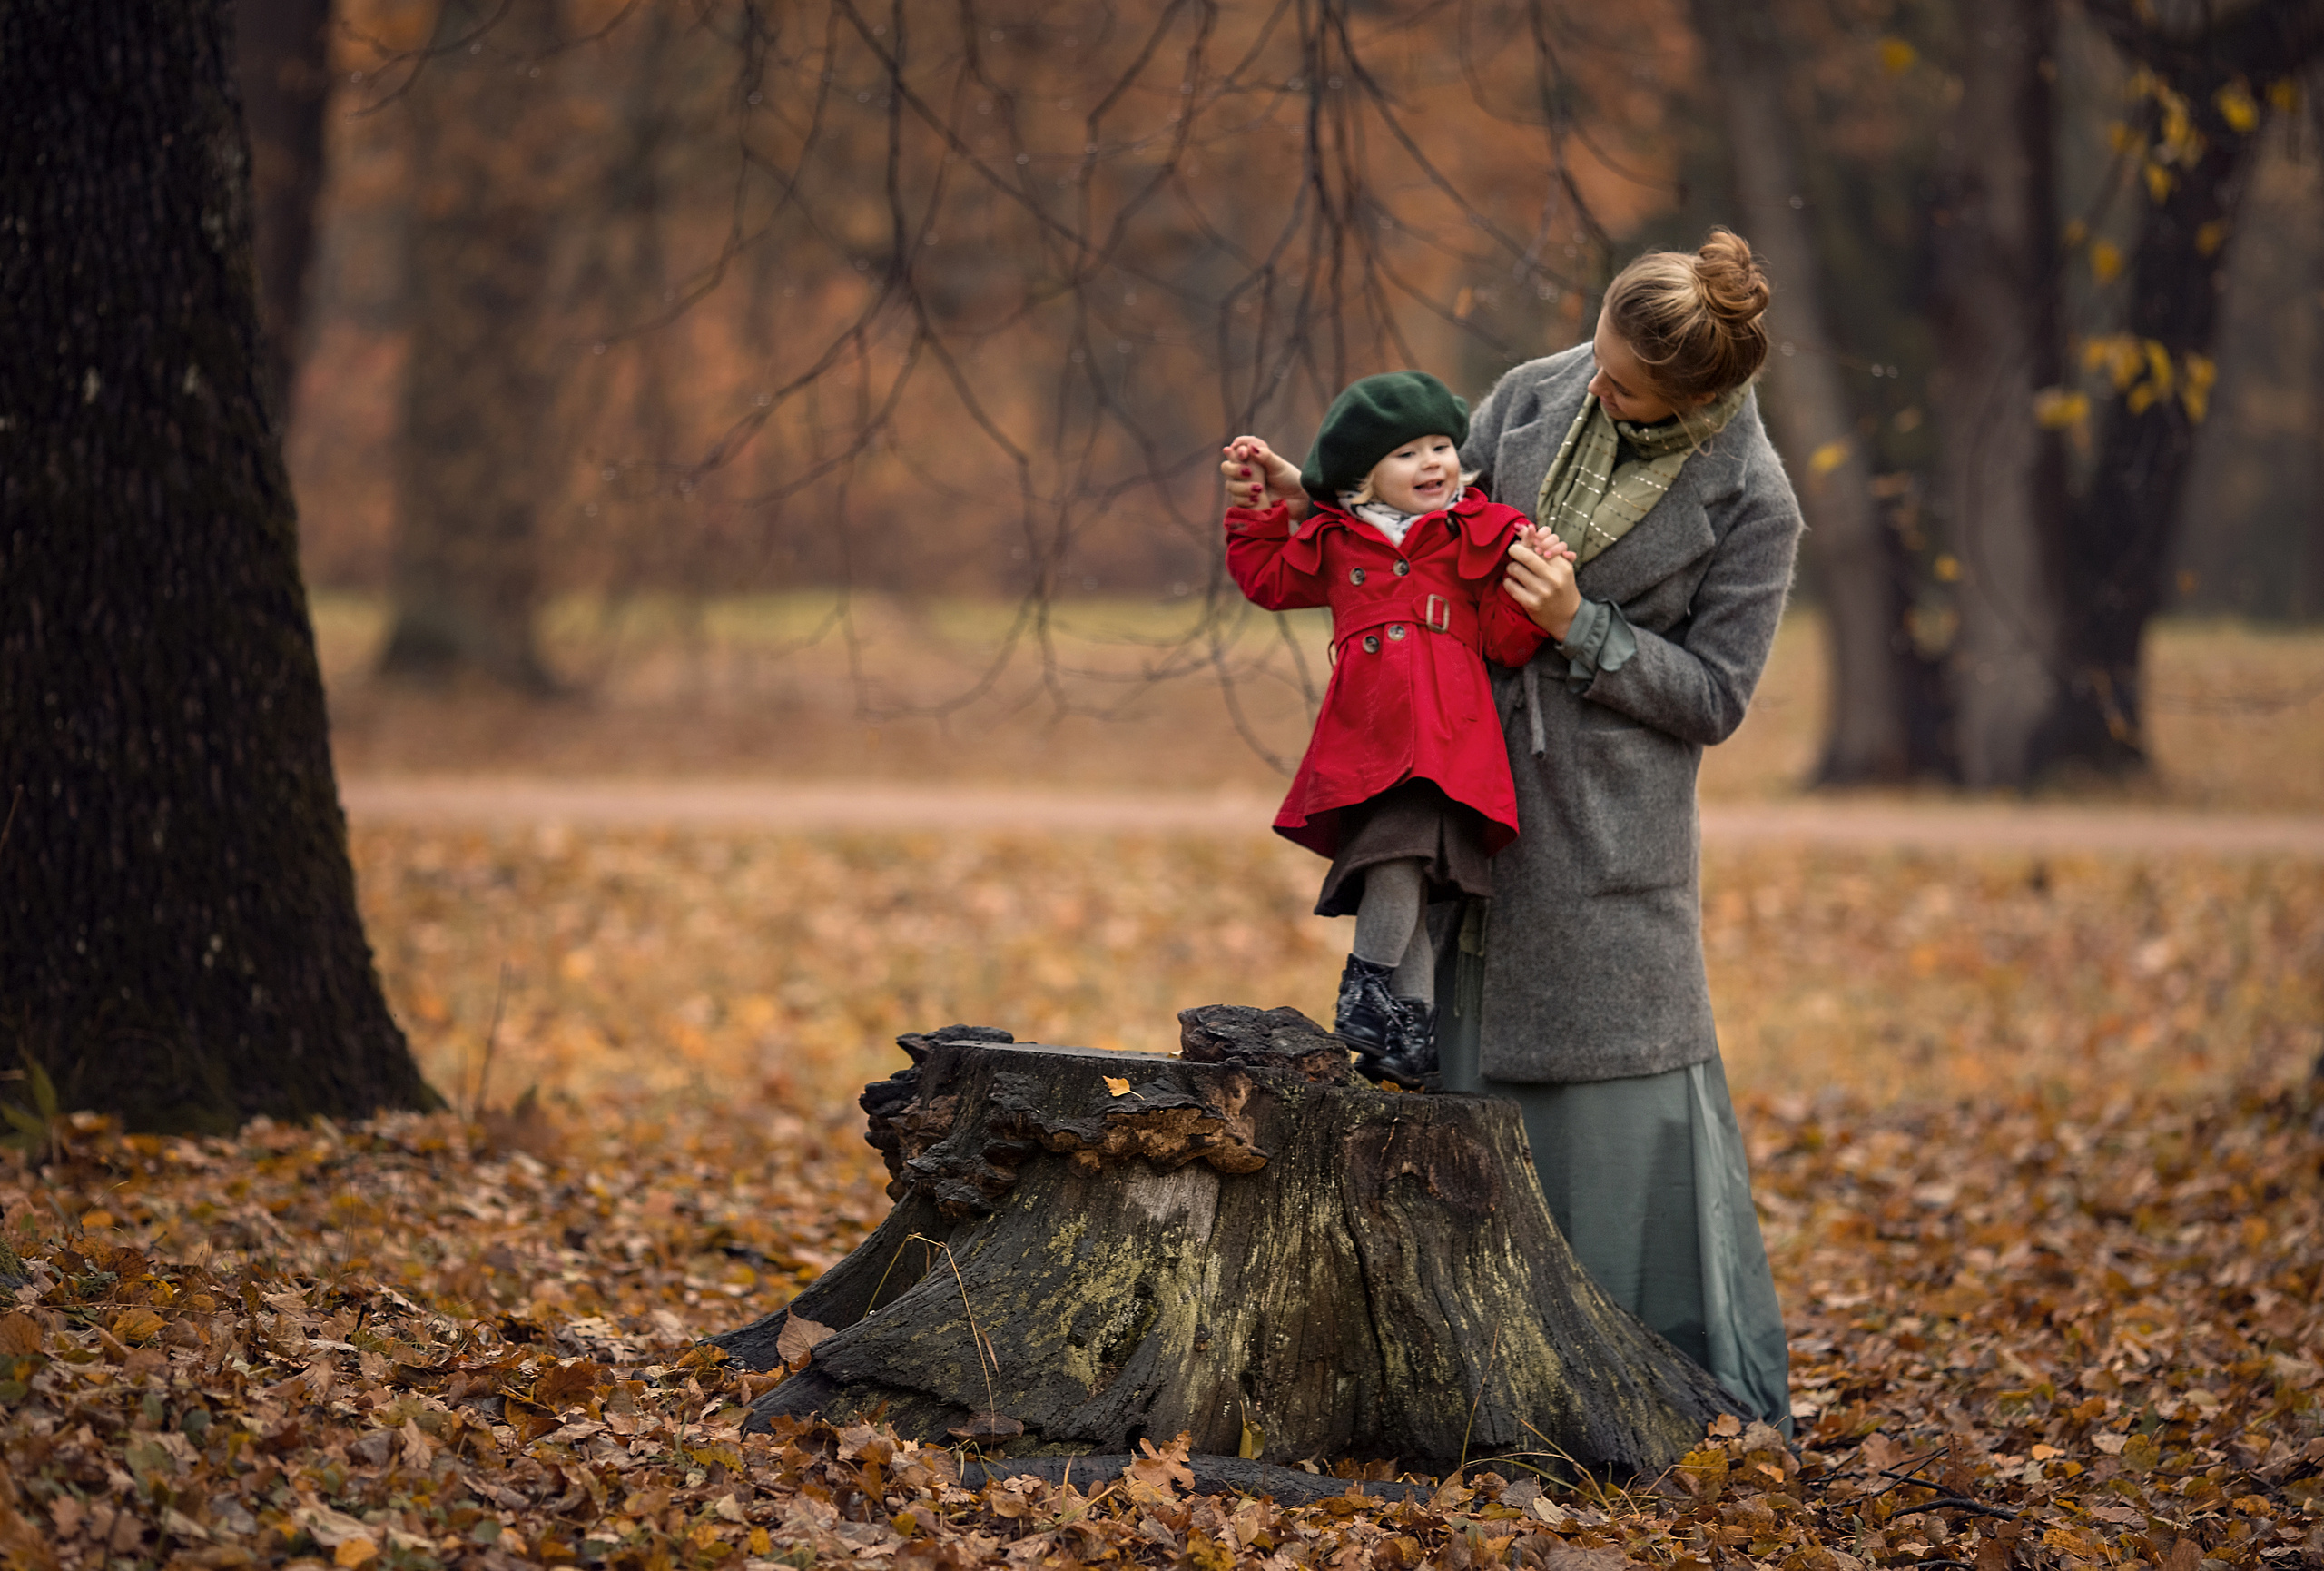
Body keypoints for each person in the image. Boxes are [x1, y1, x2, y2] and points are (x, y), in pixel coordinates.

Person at [1220, 230, 1800, 1433]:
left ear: (1701, 396)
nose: (1593, 388)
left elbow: (1717, 698)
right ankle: (1459, 1382)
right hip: (1459, 806)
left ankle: (1649, 1386)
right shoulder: (1534, 393)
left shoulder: (1754, 501)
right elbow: (1415, 524)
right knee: (1451, 1079)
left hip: (1604, 841)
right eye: (1597, 357)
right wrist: (1312, 497)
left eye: (1627, 387)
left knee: (1616, 1102)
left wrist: (1586, 627)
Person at [1219, 371, 1563, 1090]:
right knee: (1396, 868)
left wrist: (1539, 586)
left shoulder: (1477, 531)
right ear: (1363, 477)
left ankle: (1365, 995)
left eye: (1440, 445)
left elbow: (1505, 642)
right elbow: (1267, 580)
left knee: (1402, 861)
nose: (1433, 462)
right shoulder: (1338, 539)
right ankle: (1405, 1046)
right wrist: (1257, 505)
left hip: (1448, 738)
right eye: (1407, 454)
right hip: (1367, 741)